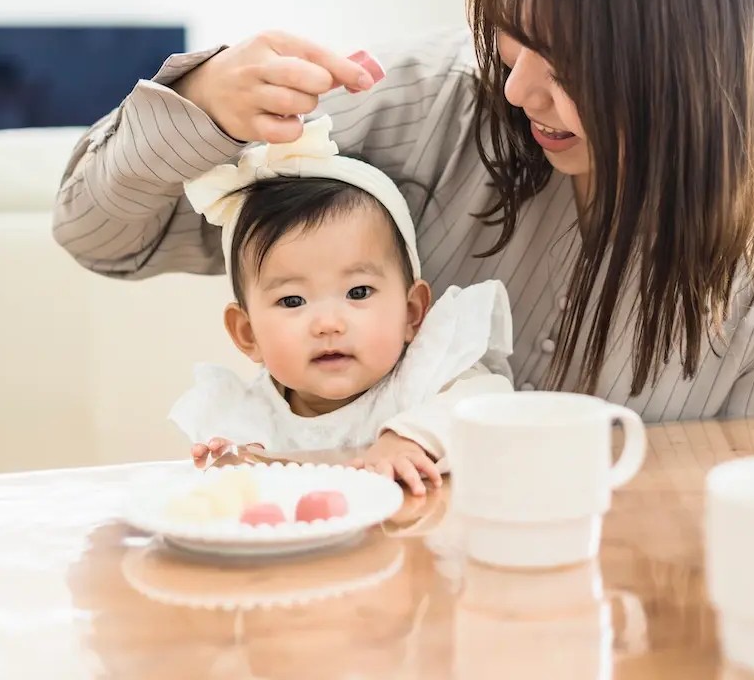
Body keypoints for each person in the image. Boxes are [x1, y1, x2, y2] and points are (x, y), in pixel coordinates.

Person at [52, 0, 754, 422]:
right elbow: (102, 240)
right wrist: (200, 105)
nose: (518, 91)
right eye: (513, 41)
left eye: (571, 66)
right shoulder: (425, 108)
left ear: (694, 67)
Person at [170, 116, 514, 493]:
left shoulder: (422, 381)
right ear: (247, 333)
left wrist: (412, 439)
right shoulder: (248, 415)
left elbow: (490, 401)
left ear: (412, 312)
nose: (328, 324)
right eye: (292, 300)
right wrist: (235, 464)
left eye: (358, 292)